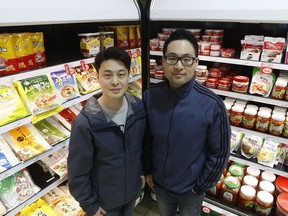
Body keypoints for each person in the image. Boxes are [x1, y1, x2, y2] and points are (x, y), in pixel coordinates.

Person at [143, 29, 231, 216]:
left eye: (186, 59)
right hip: (160, 185)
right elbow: (146, 139)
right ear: (163, 61)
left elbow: (220, 152)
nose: (179, 66)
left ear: (196, 63)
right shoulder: (150, 97)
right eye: (172, 58)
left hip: (190, 190)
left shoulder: (212, 105)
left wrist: (201, 186)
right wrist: (148, 169)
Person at [68, 46, 146, 216]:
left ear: (128, 75)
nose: (115, 82)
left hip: (131, 194)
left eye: (121, 74)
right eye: (107, 75)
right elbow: (77, 172)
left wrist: (140, 172)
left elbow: (140, 149)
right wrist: (90, 206)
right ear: (97, 77)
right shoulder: (85, 123)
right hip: (104, 204)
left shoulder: (138, 110)